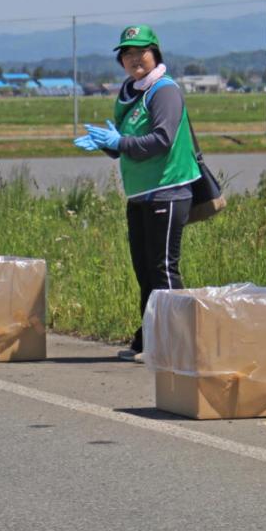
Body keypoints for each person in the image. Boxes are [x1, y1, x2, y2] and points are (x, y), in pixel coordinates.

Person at [74, 25, 200, 362]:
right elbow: (124, 148)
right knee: (144, 270)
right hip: (140, 193)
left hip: (168, 190)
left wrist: (120, 143)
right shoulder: (130, 91)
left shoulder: (164, 91)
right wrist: (107, 145)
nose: (134, 59)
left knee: (164, 269)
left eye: (140, 52)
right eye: (127, 54)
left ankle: (174, 345)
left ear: (155, 53)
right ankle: (148, 339)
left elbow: (162, 139)